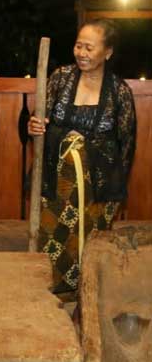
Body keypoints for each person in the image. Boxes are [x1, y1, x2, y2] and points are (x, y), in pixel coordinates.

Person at [28, 19, 136, 293]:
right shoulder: (60, 78)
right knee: (54, 245)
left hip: (97, 190)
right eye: (78, 45)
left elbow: (126, 145)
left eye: (89, 47)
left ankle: (88, 301)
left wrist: (112, 190)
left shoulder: (119, 92)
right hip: (57, 188)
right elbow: (41, 122)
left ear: (107, 52)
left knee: (92, 248)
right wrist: (34, 127)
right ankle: (51, 300)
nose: (81, 53)